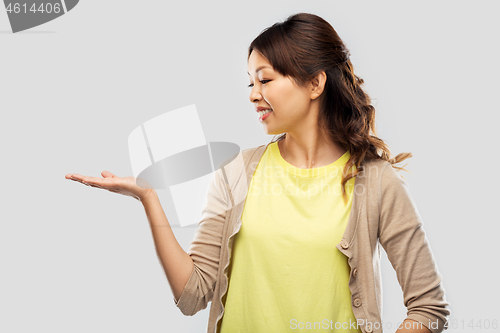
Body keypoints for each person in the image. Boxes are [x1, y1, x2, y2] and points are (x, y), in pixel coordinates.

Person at [65, 12, 450, 333]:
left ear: (315, 83)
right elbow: (192, 295)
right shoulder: (236, 173)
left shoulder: (376, 180)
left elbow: (428, 308)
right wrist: (149, 198)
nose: (252, 93)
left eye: (265, 79)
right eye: (250, 82)